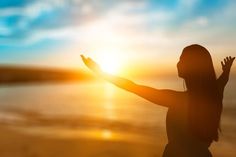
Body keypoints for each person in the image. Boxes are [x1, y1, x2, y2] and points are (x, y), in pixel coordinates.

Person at [81, 44, 235, 157]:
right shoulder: (213, 96)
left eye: (182, 59)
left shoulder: (177, 100)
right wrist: (226, 71)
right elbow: (221, 82)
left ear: (192, 66)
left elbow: (134, 87)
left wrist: (100, 72)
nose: (178, 63)